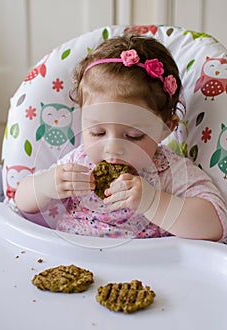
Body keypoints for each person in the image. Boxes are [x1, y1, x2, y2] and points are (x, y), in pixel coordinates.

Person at [15, 35, 226, 241]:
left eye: (134, 136)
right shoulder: (78, 163)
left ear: (166, 128)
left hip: (147, 269)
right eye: (97, 132)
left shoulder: (170, 172)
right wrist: (46, 185)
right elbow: (20, 200)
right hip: (74, 259)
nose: (112, 147)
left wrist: (153, 202)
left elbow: (215, 225)